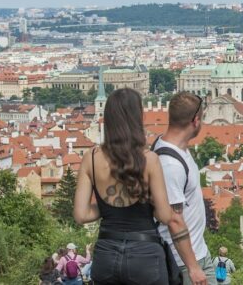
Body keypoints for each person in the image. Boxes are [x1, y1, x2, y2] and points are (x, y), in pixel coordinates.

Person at [73, 88, 203, 285]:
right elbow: (165, 216)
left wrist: (111, 204)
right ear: (137, 118)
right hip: (145, 255)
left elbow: (81, 215)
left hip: (106, 253)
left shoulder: (90, 158)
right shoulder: (150, 159)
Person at [155, 91, 216, 284]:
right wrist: (193, 267)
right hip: (183, 262)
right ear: (196, 121)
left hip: (198, 251)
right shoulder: (170, 165)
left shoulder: (172, 146)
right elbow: (174, 219)